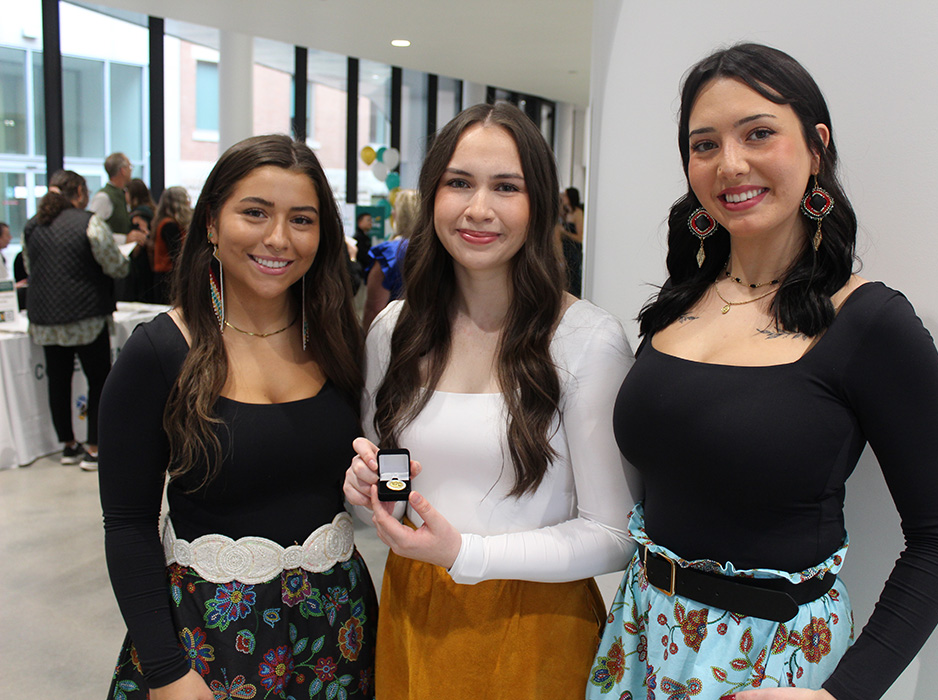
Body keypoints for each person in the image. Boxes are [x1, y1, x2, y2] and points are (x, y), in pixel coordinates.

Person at [587, 44, 938, 700]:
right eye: (704, 144)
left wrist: (839, 695)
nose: (730, 164)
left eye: (759, 133)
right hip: (641, 635)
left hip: (774, 664)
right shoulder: (679, 300)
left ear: (816, 146)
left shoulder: (871, 323)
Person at [343, 103, 640, 699]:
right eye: (459, 183)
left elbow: (615, 534)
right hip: (414, 615)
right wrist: (368, 498)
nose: (479, 209)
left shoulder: (586, 340)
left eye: (506, 186)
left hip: (538, 628)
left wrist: (465, 553)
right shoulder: (395, 331)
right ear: (432, 197)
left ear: (540, 205)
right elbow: (392, 504)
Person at [99, 135, 377, 700]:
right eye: (255, 213)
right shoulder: (159, 351)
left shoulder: (336, 339)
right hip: (209, 635)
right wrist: (166, 670)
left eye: (302, 219)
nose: (278, 238)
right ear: (210, 224)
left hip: (339, 626)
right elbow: (127, 524)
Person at [22, 170, 142, 471]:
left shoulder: (32, 226)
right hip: (86, 316)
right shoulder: (89, 222)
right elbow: (115, 265)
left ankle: (67, 445)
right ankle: (94, 447)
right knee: (99, 379)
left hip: (45, 319)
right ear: (78, 192)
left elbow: (27, 264)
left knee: (58, 381)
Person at [90, 152, 151, 301]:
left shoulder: (121, 195)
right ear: (122, 170)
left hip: (125, 262)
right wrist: (125, 239)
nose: (131, 170)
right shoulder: (104, 197)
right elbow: (92, 233)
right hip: (111, 265)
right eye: (129, 166)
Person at [361, 188, 419, 328]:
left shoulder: (390, 253)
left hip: (393, 336)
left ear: (399, 214)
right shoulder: (434, 250)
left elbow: (374, 309)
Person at [150, 186, 193, 304]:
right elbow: (176, 253)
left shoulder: (164, 222)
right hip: (169, 277)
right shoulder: (170, 226)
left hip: (166, 275)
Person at [556, 186, 584, 297]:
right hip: (566, 250)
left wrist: (565, 233)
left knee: (574, 279)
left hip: (574, 251)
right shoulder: (566, 212)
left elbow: (580, 237)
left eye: (566, 195)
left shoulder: (578, 213)